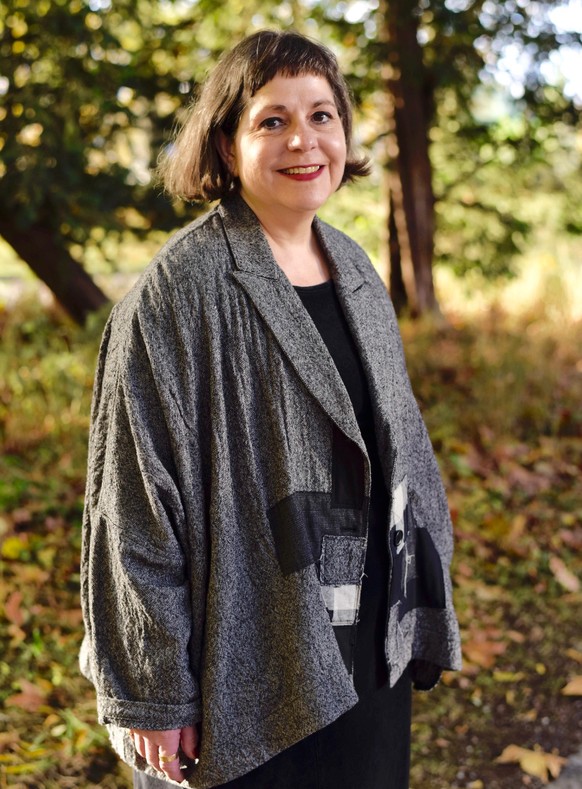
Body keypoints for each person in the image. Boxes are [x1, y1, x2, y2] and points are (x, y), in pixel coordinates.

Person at [80, 29, 462, 789]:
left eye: (322, 115)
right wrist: (152, 688)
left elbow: (400, 452)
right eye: (273, 120)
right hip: (247, 653)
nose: (305, 140)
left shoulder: (353, 267)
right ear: (226, 146)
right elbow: (130, 504)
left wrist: (424, 598)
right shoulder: (175, 296)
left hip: (366, 645)